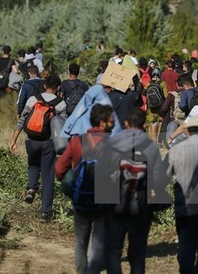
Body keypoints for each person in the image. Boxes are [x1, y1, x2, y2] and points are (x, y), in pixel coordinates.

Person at [105, 107, 168, 274]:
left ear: (126, 123)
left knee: (113, 250)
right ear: (144, 125)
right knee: (138, 253)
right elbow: (160, 179)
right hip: (141, 204)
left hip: (115, 203)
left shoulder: (113, 143)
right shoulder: (151, 146)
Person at [55, 104, 114, 274]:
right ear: (102, 123)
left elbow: (59, 168)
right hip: (104, 198)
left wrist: (68, 181)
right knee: (99, 239)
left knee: (81, 240)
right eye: (110, 121)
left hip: (81, 197)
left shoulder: (77, 141)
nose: (113, 124)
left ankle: (81, 271)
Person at [9, 74, 67, 221]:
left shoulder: (33, 99)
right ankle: (45, 212)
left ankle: (31, 188)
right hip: (48, 142)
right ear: (58, 87)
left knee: (33, 165)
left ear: (45, 85)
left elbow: (22, 120)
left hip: (30, 140)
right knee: (48, 176)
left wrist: (13, 140)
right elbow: (62, 128)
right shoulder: (61, 104)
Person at [167, 116, 198, 274]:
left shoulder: (177, 149)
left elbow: (164, 175)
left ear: (187, 132)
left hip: (184, 205)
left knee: (186, 245)